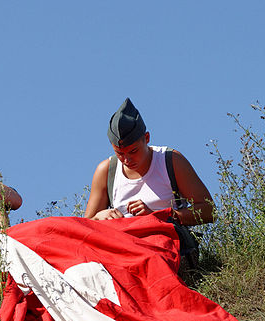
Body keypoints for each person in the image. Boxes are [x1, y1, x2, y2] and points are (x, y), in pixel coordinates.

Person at [84, 98, 214, 275]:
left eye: (133, 151)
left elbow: (208, 211)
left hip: (168, 244)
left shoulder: (170, 161)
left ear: (146, 138)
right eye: (119, 154)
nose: (127, 160)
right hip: (123, 245)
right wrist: (100, 216)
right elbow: (85, 227)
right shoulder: (106, 171)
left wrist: (157, 218)